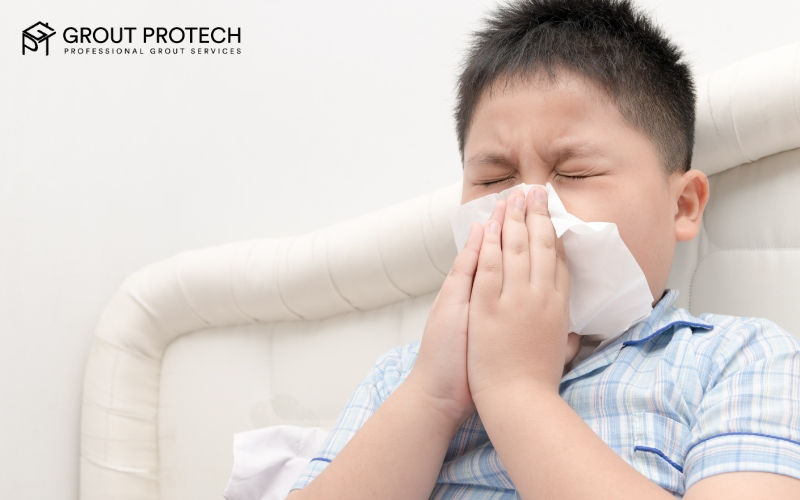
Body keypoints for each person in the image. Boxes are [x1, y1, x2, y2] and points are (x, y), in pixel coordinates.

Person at [287, 0, 800, 497]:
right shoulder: (403, 377)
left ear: (682, 205)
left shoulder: (739, 359)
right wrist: (433, 397)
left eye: (576, 173)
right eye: (494, 179)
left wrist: (516, 391)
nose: (528, 205)